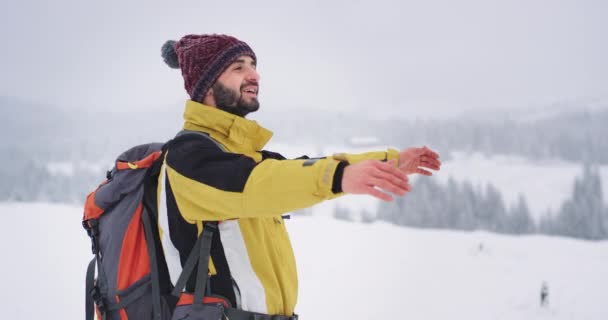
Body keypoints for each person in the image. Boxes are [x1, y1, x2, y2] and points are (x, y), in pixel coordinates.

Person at [158, 34, 441, 318]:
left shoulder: (239, 155)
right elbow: (262, 184)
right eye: (238, 67)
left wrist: (390, 161)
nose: (254, 74)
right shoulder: (189, 156)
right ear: (207, 84)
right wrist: (339, 176)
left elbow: (299, 168)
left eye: (253, 65)